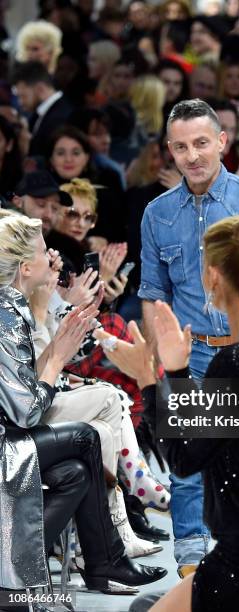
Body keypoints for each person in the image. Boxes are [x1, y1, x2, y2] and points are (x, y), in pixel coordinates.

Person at [95, 213, 239, 612]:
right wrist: (175, 372)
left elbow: (184, 457)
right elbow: (212, 435)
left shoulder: (237, 363)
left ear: (211, 277)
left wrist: (147, 379)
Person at [135, 98, 239, 575]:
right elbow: (153, 292)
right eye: (182, 147)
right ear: (169, 151)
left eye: (202, 143)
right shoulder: (157, 214)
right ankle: (192, 561)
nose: (193, 156)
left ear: (222, 143)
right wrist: (157, 353)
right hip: (191, 356)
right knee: (187, 466)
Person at [0, 210, 167, 597]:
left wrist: (58, 352)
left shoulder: (13, 306)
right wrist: (57, 357)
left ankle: (99, 563)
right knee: (86, 438)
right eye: (44, 251)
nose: (52, 257)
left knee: (75, 469)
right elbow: (26, 412)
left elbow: (23, 391)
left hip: (11, 433)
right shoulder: (8, 313)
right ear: (25, 267)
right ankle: (106, 561)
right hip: (7, 442)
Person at [12, 61, 73, 157]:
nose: (20, 103)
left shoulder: (60, 117)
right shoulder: (40, 114)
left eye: (23, 96)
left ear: (40, 89)